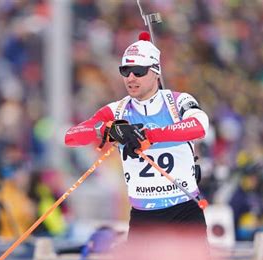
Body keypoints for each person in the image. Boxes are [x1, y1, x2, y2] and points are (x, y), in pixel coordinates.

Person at [64, 32, 210, 248]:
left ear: (155, 72)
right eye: (125, 71)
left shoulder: (177, 101)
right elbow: (72, 136)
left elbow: (199, 125)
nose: (131, 78)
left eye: (139, 71)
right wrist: (108, 129)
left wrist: (150, 137)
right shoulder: (117, 110)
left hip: (184, 211)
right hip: (144, 216)